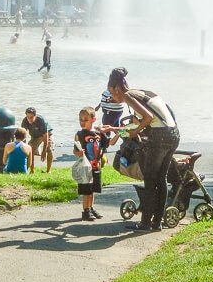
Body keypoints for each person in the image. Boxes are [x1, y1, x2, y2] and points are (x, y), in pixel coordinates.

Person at [107, 67, 178, 232]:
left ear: (117, 88)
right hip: (173, 135)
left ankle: (146, 223)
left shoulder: (127, 95)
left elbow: (148, 118)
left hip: (159, 138)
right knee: (161, 179)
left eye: (111, 92)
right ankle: (156, 222)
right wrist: (113, 129)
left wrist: (135, 131)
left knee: (150, 179)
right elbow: (144, 124)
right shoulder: (143, 93)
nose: (112, 96)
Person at [74, 106, 114, 221]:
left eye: (85, 119)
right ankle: (85, 211)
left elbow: (110, 142)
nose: (82, 122)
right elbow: (75, 150)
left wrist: (121, 132)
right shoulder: (79, 134)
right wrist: (79, 153)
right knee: (86, 190)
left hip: (96, 165)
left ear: (93, 119)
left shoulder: (98, 133)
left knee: (92, 189)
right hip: (86, 167)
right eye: (80, 119)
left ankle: (91, 207)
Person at [21, 107, 53, 173]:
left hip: (47, 134)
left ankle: (48, 171)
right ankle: (31, 171)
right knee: (30, 149)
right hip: (35, 136)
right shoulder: (25, 121)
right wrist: (22, 146)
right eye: (28, 117)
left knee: (49, 149)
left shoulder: (41, 120)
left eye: (31, 117)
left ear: (35, 116)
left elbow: (45, 135)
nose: (29, 119)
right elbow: (23, 134)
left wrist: (44, 151)